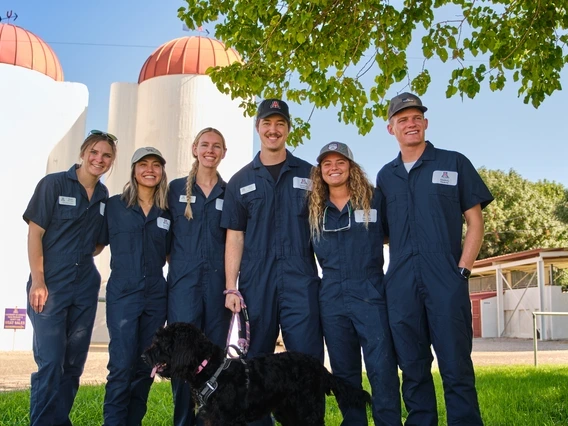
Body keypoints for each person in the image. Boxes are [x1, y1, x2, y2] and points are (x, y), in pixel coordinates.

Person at [377, 92, 493, 426]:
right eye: (403, 120)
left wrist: (463, 270)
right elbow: (384, 231)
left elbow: (475, 222)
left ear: (425, 123)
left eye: (416, 118)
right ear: (391, 129)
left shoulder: (454, 163)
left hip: (446, 279)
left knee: (456, 366)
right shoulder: (386, 177)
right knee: (412, 368)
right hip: (401, 283)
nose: (410, 124)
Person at [221, 99, 324, 426]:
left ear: (288, 129)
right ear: (258, 128)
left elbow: (325, 226)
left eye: (280, 123)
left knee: (306, 364)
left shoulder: (311, 175)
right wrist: (230, 287)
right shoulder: (240, 181)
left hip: (300, 282)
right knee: (254, 367)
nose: (273, 129)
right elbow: (234, 237)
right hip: (256, 285)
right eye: (267, 123)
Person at [24, 130, 117, 426]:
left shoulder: (103, 196)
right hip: (51, 283)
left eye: (106, 156)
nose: (98, 159)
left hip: (85, 285)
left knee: (73, 365)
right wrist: (38, 281)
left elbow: (100, 242)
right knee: (50, 362)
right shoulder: (53, 184)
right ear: (83, 152)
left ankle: (59, 421)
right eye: (94, 152)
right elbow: (35, 234)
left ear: (111, 161)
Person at [308, 142, 402, 426]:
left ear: (351, 166)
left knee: (382, 368)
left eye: (340, 162)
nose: (334, 168)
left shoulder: (373, 199)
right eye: (327, 164)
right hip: (332, 296)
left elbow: (389, 235)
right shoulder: (314, 208)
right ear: (320, 171)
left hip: (370, 292)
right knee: (344, 371)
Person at [101, 147, 171, 426]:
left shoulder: (168, 211)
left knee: (146, 366)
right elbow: (94, 243)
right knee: (121, 366)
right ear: (133, 170)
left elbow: (170, 253)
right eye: (143, 164)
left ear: (162, 171)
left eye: (156, 165)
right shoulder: (114, 206)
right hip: (122, 296)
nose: (150, 170)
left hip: (155, 296)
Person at [167, 128, 230, 426]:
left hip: (218, 287)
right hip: (183, 288)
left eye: (217, 146)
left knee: (214, 360)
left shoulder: (229, 193)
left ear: (223, 153)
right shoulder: (174, 189)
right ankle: (183, 421)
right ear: (194, 148)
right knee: (182, 358)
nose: (210, 150)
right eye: (205, 145)